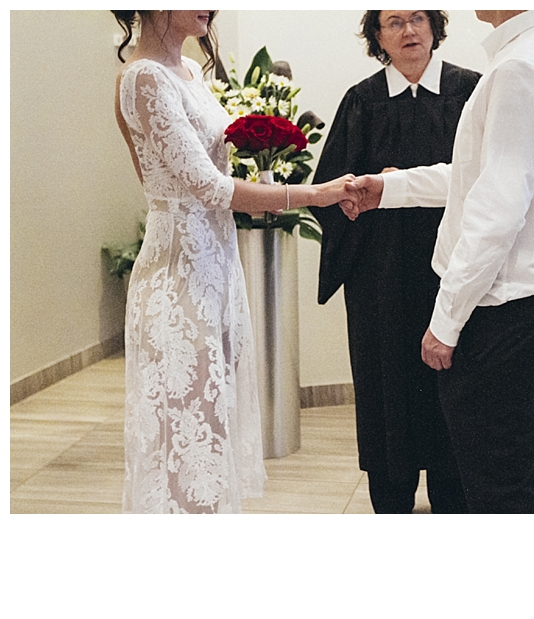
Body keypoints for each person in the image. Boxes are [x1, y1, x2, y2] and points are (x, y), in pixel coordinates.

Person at [112, 10, 354, 513]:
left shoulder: (191, 72)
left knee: (210, 420)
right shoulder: (142, 78)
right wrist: (318, 194)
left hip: (216, 263)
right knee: (183, 428)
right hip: (177, 273)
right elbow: (207, 186)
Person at [343, 10, 534, 514]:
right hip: (525, 304)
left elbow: (496, 211)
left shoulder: (519, 69)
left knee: (497, 486)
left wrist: (446, 321)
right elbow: (476, 174)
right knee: (521, 467)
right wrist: (390, 188)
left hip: (500, 311)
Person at [308, 11, 481, 514]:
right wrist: (366, 188)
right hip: (378, 278)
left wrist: (405, 182)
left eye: (418, 19)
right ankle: (392, 500)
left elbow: (488, 184)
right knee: (386, 386)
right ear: (377, 36)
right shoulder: (361, 101)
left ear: (434, 27)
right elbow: (331, 189)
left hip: (450, 273)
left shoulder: (470, 91)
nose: (409, 31)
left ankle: (454, 500)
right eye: (394, 22)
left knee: (451, 383)